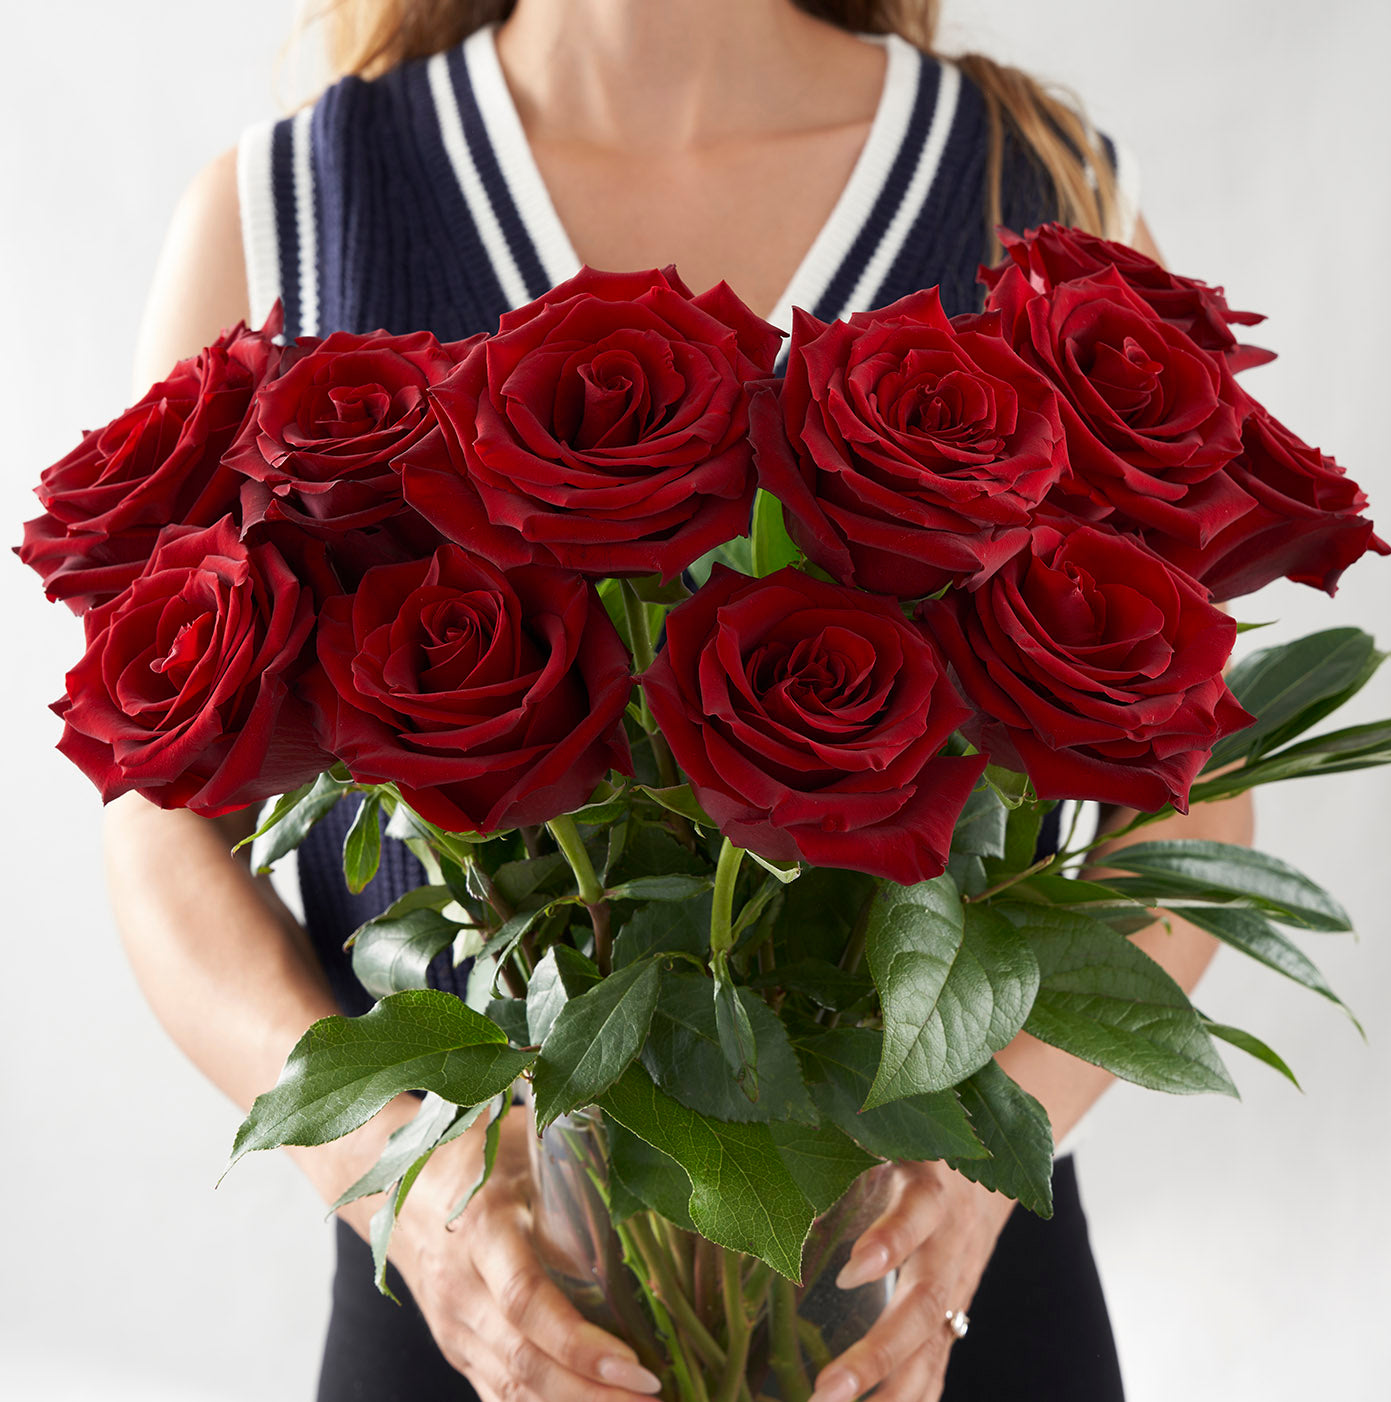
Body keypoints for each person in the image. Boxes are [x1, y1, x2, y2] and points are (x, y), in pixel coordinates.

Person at [106, 2, 1255, 1399]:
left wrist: (986, 1148)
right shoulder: (285, 206)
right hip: (478, 1315)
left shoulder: (1032, 182)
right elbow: (160, 828)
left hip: (917, 1312)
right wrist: (392, 1175)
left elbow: (1192, 788)